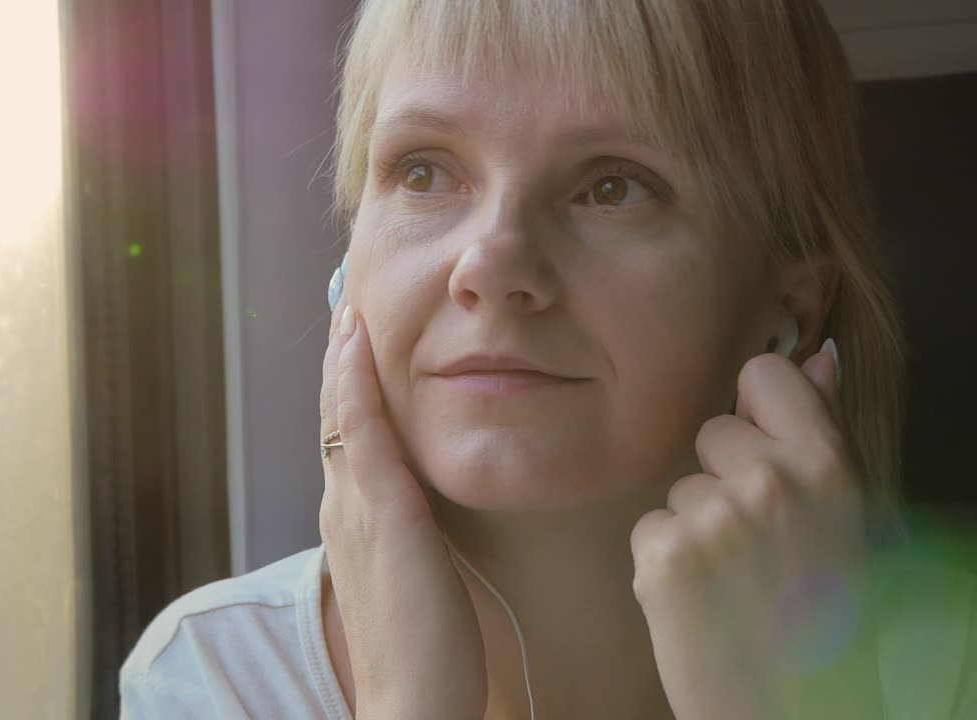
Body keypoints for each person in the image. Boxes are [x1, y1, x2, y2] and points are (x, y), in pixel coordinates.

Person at [121, 1, 977, 717]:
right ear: (350, 273)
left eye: (614, 185)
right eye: (423, 172)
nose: (490, 264)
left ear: (786, 310)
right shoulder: (213, 675)